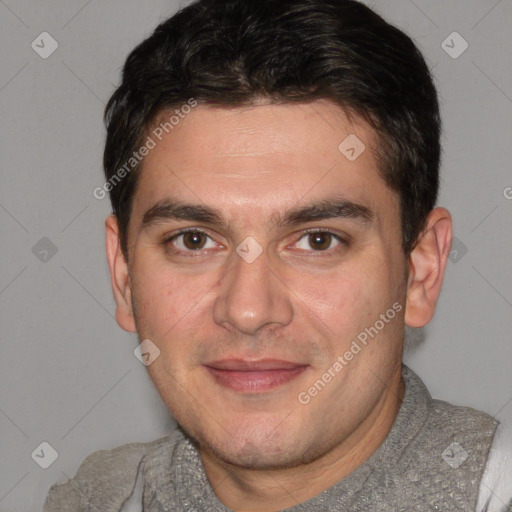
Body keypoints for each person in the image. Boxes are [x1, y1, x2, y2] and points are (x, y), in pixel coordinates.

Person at [45, 0, 512, 510]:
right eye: (194, 240)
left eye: (318, 240)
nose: (248, 310)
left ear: (421, 271)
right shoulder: (92, 499)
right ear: (123, 275)